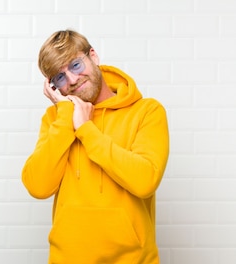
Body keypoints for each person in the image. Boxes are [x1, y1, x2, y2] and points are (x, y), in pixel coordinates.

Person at [22, 29, 169, 263]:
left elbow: (145, 181)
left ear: (93, 56)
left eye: (76, 65)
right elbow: (38, 187)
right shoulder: (56, 119)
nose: (71, 80)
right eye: (59, 77)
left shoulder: (147, 112)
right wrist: (65, 116)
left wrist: (86, 130)